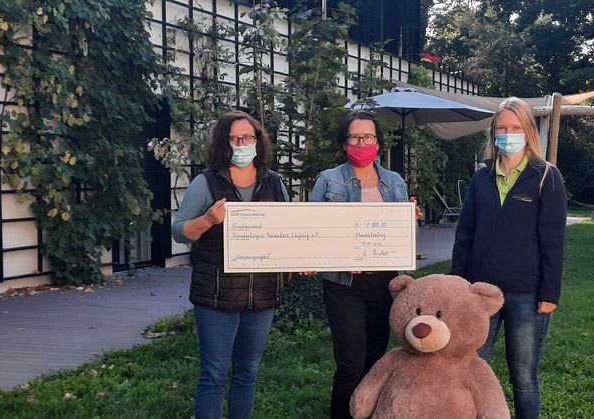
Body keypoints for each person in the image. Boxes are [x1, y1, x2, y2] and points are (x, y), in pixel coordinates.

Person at [451, 97, 567, 419]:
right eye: (502, 127)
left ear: (528, 131)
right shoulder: (481, 177)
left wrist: (549, 293)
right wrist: (458, 283)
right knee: (470, 369)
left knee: (524, 377)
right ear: (493, 132)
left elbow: (554, 242)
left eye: (515, 127)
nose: (508, 133)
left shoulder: (546, 177)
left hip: (527, 295)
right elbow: (465, 234)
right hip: (479, 294)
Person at [171, 110, 289, 419]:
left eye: (248, 137)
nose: (242, 144)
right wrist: (208, 219)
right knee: (214, 374)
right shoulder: (206, 182)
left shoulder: (275, 184)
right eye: (235, 139)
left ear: (257, 141)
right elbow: (179, 230)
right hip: (216, 294)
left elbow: (289, 231)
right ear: (224, 144)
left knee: (247, 373)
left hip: (261, 295)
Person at [309, 110, 421, 419]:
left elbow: (401, 234)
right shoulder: (328, 180)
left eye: (368, 137)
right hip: (344, 285)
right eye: (355, 137)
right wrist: (334, 255)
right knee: (350, 364)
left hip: (384, 285)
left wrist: (411, 220)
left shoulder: (395, 182)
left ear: (378, 142)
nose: (362, 142)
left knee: (374, 362)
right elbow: (312, 231)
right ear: (345, 144)